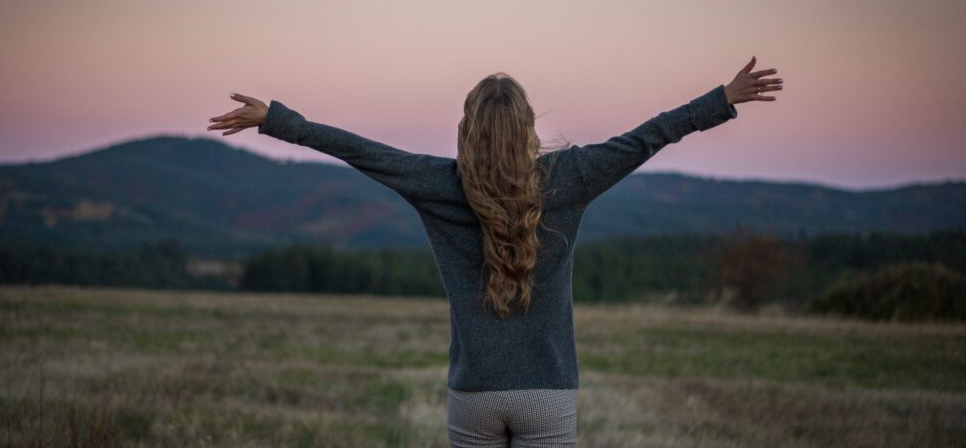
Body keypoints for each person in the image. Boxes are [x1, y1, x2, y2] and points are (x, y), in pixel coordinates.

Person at [207, 56, 782, 446]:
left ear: (468, 130)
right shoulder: (571, 176)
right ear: (529, 127)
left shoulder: (437, 183)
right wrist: (721, 99)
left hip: (474, 392)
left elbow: (361, 151)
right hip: (548, 393)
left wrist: (278, 122)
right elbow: (648, 136)